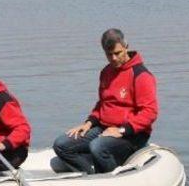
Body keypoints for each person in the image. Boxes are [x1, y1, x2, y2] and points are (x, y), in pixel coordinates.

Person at [53, 28, 158, 174]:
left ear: (126, 46)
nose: (113, 58)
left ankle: (114, 177)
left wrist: (122, 130)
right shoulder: (106, 72)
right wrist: (88, 123)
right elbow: (102, 104)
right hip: (104, 128)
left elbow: (149, 113)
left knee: (98, 146)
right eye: (109, 54)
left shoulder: (141, 75)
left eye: (117, 53)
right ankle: (92, 173)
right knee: (61, 144)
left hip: (132, 134)